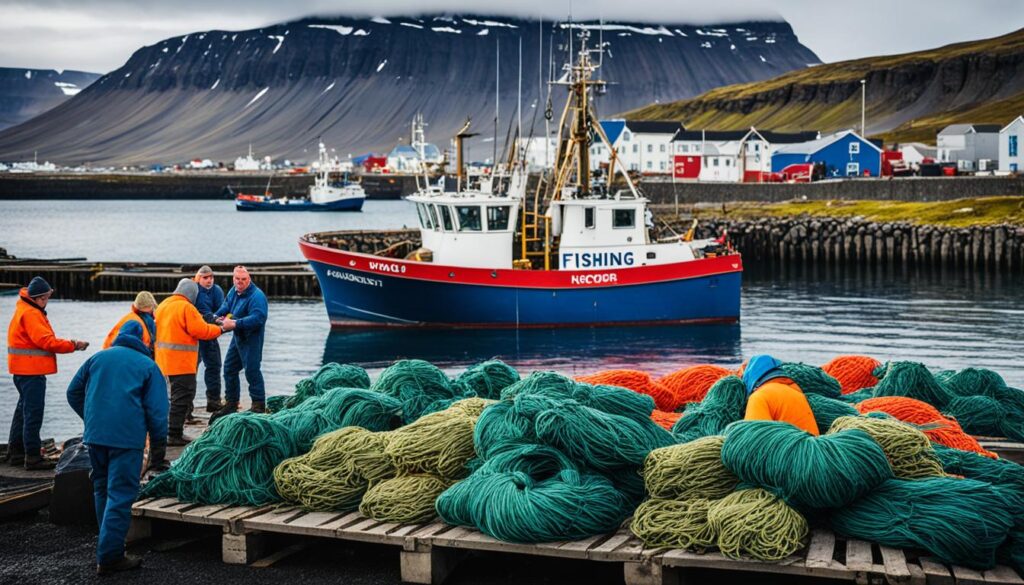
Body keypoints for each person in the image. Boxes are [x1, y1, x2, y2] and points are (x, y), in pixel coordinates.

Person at [66, 321, 167, 575]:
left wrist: (91, 420)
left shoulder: (97, 359)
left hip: (95, 437)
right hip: (126, 439)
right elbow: (157, 413)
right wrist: (158, 446)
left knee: (102, 487)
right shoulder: (148, 366)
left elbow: (73, 392)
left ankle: (109, 541)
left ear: (119, 337)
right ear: (144, 340)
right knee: (121, 494)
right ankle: (110, 556)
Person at [6, 276, 88, 470]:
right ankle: (33, 457)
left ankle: (16, 451)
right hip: (31, 371)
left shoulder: (23, 309)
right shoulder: (32, 314)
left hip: (21, 369)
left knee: (22, 411)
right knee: (33, 413)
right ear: (36, 298)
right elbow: (47, 342)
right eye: (44, 298)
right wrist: (74, 345)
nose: (46, 301)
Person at [154, 278, 232, 445]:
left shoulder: (163, 305)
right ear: (191, 294)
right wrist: (221, 328)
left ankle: (168, 430)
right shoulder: (186, 307)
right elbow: (201, 331)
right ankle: (174, 434)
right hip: (181, 363)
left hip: (163, 362)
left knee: (171, 398)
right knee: (182, 399)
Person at [210, 266, 268, 423]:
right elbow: (226, 306)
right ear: (233, 279)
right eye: (237, 279)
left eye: (243, 280)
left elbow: (259, 318)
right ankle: (231, 403)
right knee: (229, 368)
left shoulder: (257, 296)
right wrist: (216, 316)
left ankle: (258, 404)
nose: (240, 282)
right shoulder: (233, 291)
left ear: (249, 279)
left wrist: (235, 323)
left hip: (252, 337)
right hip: (238, 337)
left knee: (252, 370)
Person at [741, 354, 820, 436]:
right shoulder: (796, 392)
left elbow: (754, 437)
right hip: (812, 446)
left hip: (789, 447)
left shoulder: (759, 397)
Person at [193, 266, 225, 413]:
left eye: (211, 277)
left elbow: (222, 309)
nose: (209, 280)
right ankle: (187, 406)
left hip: (209, 332)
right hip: (194, 334)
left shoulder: (216, 290)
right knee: (190, 369)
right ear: (198, 278)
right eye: (205, 278)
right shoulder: (193, 290)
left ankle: (213, 401)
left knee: (214, 366)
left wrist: (221, 320)